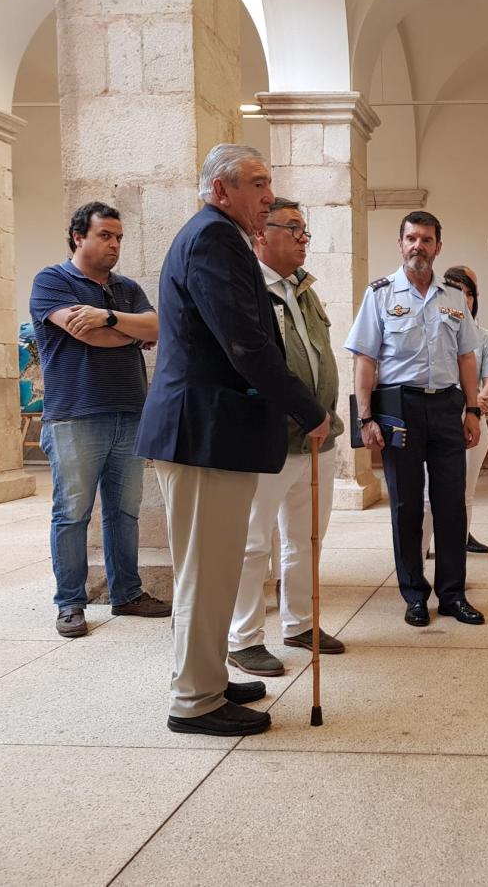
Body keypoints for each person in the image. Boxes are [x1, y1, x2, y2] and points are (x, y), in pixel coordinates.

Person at [136, 145, 331, 737]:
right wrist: (307, 408)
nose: (269, 196)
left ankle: (209, 679)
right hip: (204, 434)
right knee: (207, 571)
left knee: (216, 568)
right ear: (221, 190)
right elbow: (245, 344)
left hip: (212, 434)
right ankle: (194, 701)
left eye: (269, 183)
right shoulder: (215, 239)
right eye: (257, 183)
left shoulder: (217, 236)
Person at [29, 201, 169, 638]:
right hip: (74, 416)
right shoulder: (52, 281)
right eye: (105, 235)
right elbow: (87, 333)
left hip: (130, 412)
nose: (114, 244)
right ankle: (70, 603)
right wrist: (129, 333)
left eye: (119, 237)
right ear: (78, 236)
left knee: (124, 512)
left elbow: (158, 327)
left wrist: (110, 319)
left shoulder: (125, 288)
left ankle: (127, 593)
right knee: (71, 513)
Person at [345, 211, 486, 628]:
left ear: (438, 246)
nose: (417, 247)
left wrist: (473, 409)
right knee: (406, 506)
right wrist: (365, 418)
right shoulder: (381, 295)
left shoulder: (454, 299)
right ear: (400, 242)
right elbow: (364, 360)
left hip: (445, 408)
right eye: (411, 239)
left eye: (426, 240)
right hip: (399, 412)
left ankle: (453, 594)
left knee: (451, 506)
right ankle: (413, 594)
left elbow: (466, 358)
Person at [227, 198, 345, 677]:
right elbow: (259, 364)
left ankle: (300, 623)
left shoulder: (304, 289)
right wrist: (302, 408)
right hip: (271, 436)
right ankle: (244, 638)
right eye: (292, 228)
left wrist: (323, 414)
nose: (303, 239)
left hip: (317, 436)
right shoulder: (250, 289)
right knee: (254, 543)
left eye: (305, 230)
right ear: (261, 235)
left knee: (307, 537)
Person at [421, 266, 488, 557]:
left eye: (469, 294)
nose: (464, 299)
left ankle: (454, 555)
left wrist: (477, 402)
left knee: (465, 493)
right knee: (429, 492)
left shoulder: (485, 337)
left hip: (471, 417)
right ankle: (423, 550)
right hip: (437, 418)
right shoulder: (432, 328)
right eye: (458, 292)